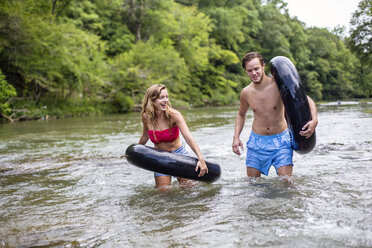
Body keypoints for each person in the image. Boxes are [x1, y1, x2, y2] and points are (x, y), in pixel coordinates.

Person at [232, 52, 318, 179]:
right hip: (257, 143)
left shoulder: (278, 85)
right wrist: (236, 137)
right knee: (252, 185)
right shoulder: (246, 92)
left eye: (256, 69)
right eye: (249, 70)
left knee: (287, 183)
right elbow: (241, 115)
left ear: (263, 66)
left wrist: (314, 120)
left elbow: (306, 100)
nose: (254, 73)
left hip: (281, 141)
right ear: (245, 71)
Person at [139, 84, 208, 189]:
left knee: (188, 189)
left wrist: (201, 158)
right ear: (152, 100)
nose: (165, 100)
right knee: (163, 193)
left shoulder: (174, 115)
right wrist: (135, 152)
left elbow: (188, 137)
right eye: (161, 97)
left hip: (179, 155)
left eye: (166, 97)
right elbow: (144, 136)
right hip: (159, 157)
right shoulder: (146, 117)